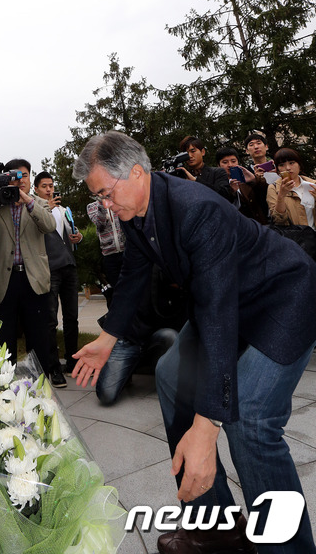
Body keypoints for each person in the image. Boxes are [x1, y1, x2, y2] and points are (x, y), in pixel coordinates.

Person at [72, 130, 316, 554]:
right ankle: (216, 526)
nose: (106, 207)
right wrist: (108, 338)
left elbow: (218, 316)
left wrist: (206, 427)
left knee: (251, 419)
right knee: (169, 374)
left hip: (282, 297)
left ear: (134, 171)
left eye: (106, 195)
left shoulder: (195, 208)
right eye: (99, 200)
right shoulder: (139, 211)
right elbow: (131, 277)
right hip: (229, 300)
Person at [0, 159, 55, 374]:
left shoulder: (38, 203)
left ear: (29, 178)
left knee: (38, 338)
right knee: (4, 341)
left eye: (23, 175)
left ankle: (40, 391)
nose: (19, 180)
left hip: (33, 279)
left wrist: (27, 201)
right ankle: (6, 392)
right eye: (14, 176)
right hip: (4, 281)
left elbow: (49, 225)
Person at [94, 264, 183, 406]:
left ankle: (156, 372)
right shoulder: (137, 261)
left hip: (158, 337)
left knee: (171, 337)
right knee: (106, 395)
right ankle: (127, 367)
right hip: (130, 338)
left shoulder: (178, 267)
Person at [33, 172, 82, 387]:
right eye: (44, 186)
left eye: (51, 185)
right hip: (50, 269)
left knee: (72, 317)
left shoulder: (64, 210)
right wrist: (46, 208)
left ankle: (72, 361)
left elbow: (72, 233)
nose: (49, 190)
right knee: (50, 320)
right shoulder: (34, 209)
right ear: (36, 189)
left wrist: (78, 237)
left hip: (69, 267)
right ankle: (54, 368)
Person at [215, 145, 269, 225]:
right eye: (225, 162)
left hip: (259, 225)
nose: (230, 165)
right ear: (218, 165)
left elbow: (264, 195)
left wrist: (254, 179)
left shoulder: (246, 180)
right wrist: (232, 191)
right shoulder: (218, 185)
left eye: (233, 161)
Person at [86, 200, 125, 303]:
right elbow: (100, 225)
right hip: (110, 256)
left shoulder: (118, 200)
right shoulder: (92, 206)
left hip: (127, 252)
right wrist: (102, 204)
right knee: (116, 293)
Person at [267, 147, 316, 229]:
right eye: (281, 165)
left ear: (299, 165)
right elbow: (278, 221)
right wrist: (281, 196)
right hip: (294, 238)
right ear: (278, 170)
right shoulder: (274, 188)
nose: (288, 168)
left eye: (291, 163)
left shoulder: (312, 184)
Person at [177, 136, 232, 200]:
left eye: (193, 151)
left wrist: (196, 181)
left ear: (203, 152)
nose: (189, 156)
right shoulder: (182, 176)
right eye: (186, 153)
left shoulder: (217, 172)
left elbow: (224, 195)